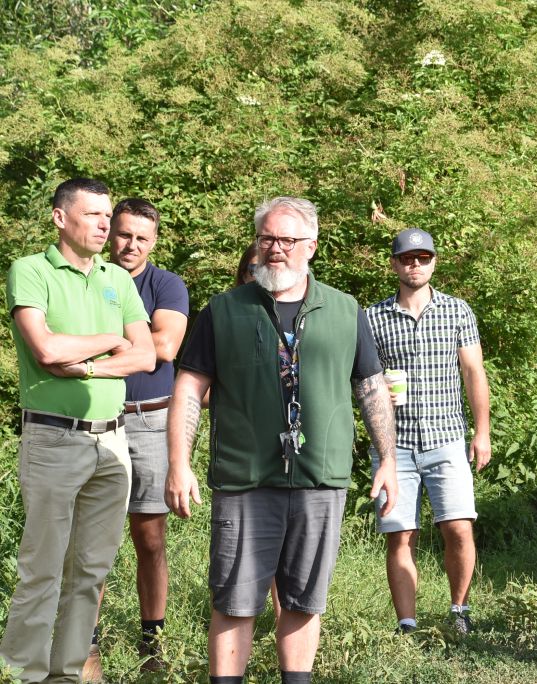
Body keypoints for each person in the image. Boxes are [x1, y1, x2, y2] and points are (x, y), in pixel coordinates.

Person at [164, 196, 398, 684]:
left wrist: (388, 460)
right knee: (235, 599)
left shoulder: (344, 309)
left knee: (304, 599)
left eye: (288, 240)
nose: (276, 249)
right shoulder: (224, 311)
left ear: (311, 245)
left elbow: (370, 385)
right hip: (245, 478)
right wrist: (178, 464)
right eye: (267, 238)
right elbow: (190, 387)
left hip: (320, 477)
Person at [0, 178, 155, 683]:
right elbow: (45, 349)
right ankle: (24, 673)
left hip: (112, 439)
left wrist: (87, 365)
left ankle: (65, 675)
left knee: (90, 572)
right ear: (60, 218)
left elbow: (147, 354)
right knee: (43, 567)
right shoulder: (32, 270)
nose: (105, 225)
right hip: (52, 438)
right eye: (93, 215)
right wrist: (111, 340)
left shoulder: (118, 278)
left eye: (107, 215)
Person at [365, 228, 491, 635]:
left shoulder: (457, 311)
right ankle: (407, 623)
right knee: (400, 534)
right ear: (394, 264)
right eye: (406, 258)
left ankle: (459, 611)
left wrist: (482, 431)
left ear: (434, 261)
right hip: (393, 444)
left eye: (422, 257)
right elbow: (362, 379)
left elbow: (474, 372)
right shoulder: (371, 317)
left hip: (447, 437)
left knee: (458, 526)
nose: (414, 264)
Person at [91, 198, 188, 674]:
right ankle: (86, 643)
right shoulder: (92, 278)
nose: (131, 245)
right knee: (95, 537)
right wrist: (138, 336)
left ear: (153, 241)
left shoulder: (166, 284)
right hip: (98, 418)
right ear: (111, 234)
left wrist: (102, 337)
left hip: (150, 420)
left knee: (149, 538)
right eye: (124, 234)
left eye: (141, 238)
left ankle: (154, 643)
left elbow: (165, 347)